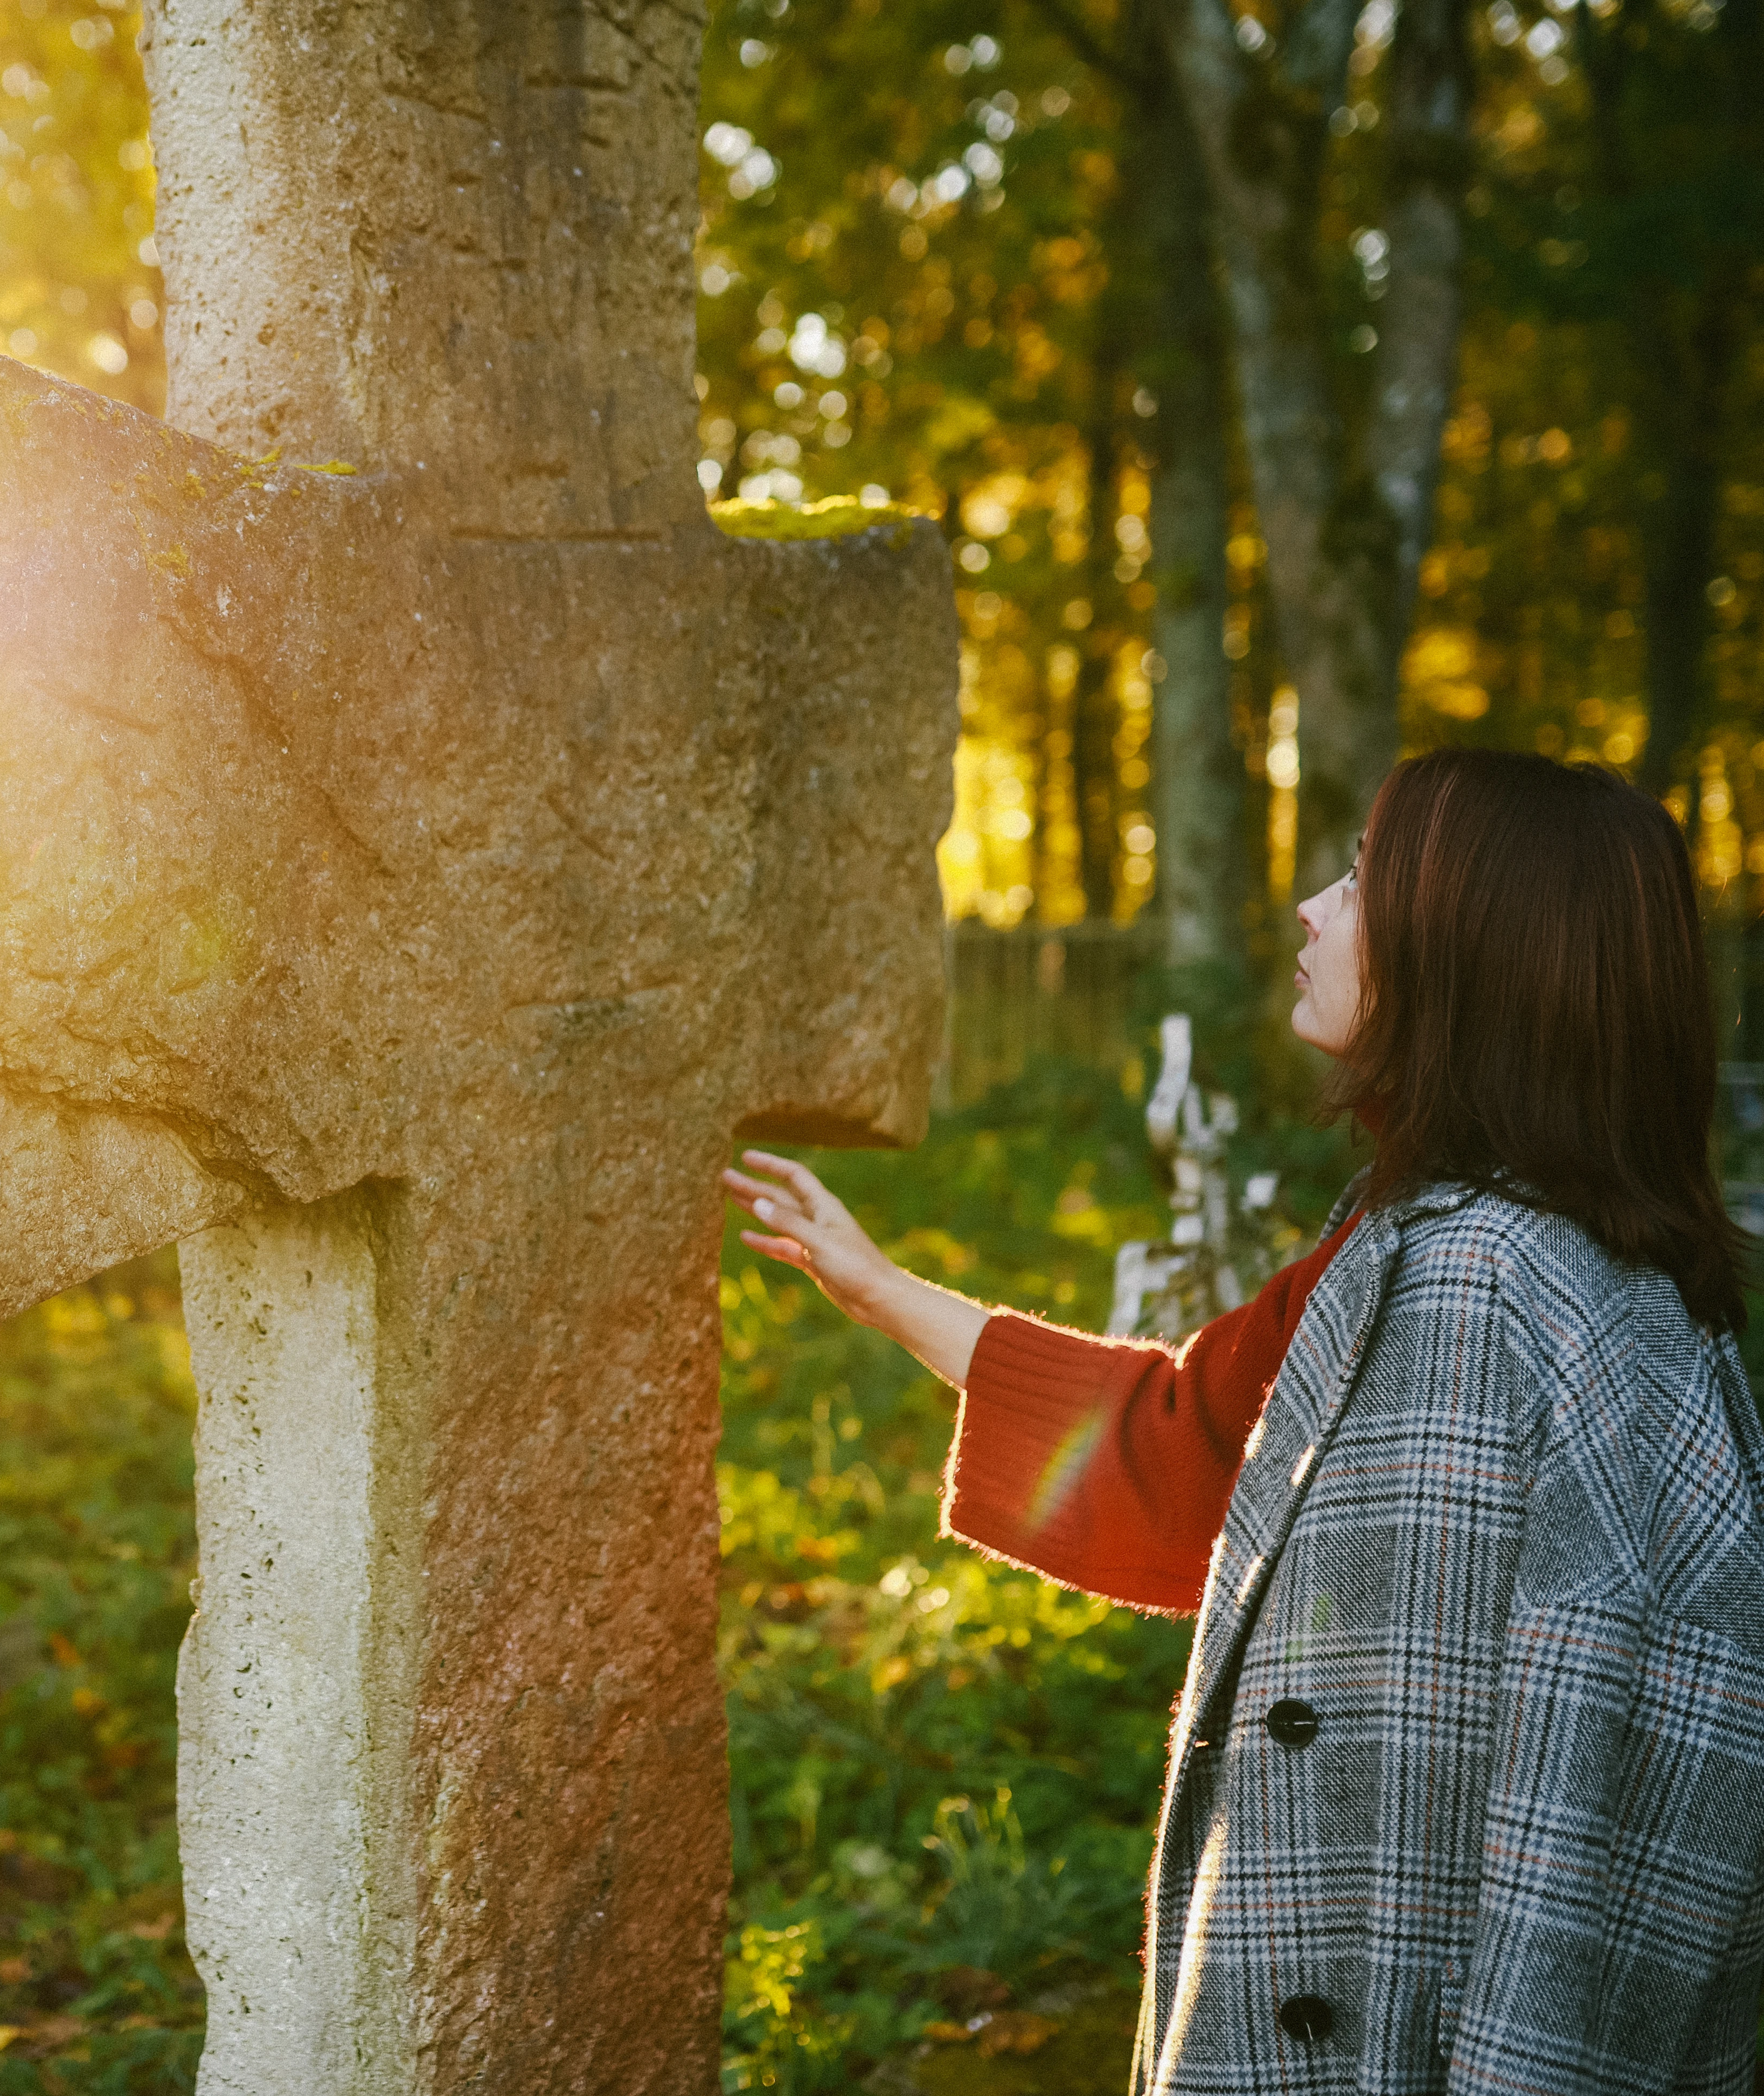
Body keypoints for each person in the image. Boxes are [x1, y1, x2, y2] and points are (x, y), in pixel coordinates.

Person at [724, 749, 1764, 2095]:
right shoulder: (1443, 1244)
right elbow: (1191, 1445)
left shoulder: (1486, 1286)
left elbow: (1590, 1809)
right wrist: (881, 1291)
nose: (1311, 910)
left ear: (1468, 947)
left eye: (1359, 881)